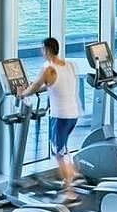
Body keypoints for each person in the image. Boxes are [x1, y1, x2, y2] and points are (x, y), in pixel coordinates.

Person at [19, 37, 82, 203]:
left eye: (42, 49)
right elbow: (54, 84)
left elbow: (34, 87)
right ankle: (73, 174)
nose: (41, 51)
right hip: (73, 114)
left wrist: (22, 94)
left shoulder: (48, 68)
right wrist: (38, 86)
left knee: (58, 153)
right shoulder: (69, 65)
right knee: (63, 148)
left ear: (47, 50)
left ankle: (70, 191)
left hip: (60, 116)